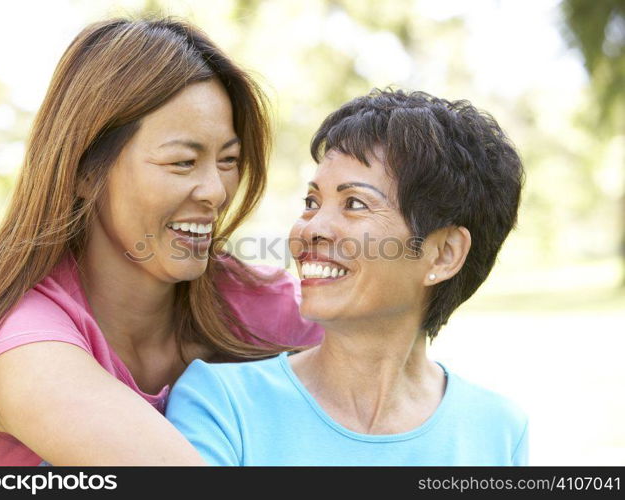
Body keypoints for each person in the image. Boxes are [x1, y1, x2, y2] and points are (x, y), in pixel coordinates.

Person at [0, 17, 322, 466]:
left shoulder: (249, 300)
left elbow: (397, 360)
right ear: (86, 170)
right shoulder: (22, 344)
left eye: (228, 160)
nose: (215, 190)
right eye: (182, 162)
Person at [166, 88, 528, 466]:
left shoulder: (498, 430)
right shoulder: (221, 404)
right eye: (311, 203)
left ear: (444, 253)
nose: (310, 230)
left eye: (354, 204)